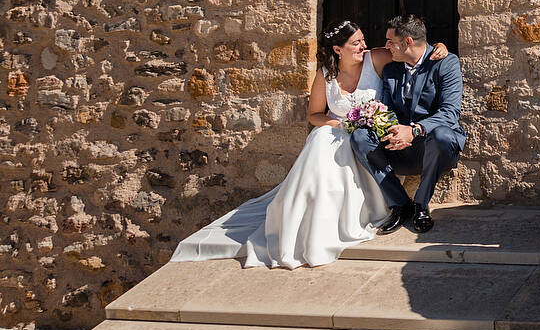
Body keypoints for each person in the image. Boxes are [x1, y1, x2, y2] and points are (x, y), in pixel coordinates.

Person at [172, 20, 449, 267]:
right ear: (338, 50)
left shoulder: (375, 59)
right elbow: (314, 115)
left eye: (363, 40)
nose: (364, 45)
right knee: (320, 144)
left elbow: (410, 50)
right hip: (339, 130)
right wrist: (341, 124)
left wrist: (439, 45)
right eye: (356, 43)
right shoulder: (325, 75)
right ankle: (313, 220)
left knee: (356, 141)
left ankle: (373, 209)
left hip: (370, 134)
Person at [349, 14, 465, 235]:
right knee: (360, 137)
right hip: (400, 146)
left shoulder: (445, 63)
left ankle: (421, 205)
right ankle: (401, 205)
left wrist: (414, 131)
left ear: (408, 42)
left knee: (442, 135)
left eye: (390, 41)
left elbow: (450, 113)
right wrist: (392, 131)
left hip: (434, 146)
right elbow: (387, 107)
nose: (386, 46)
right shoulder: (392, 69)